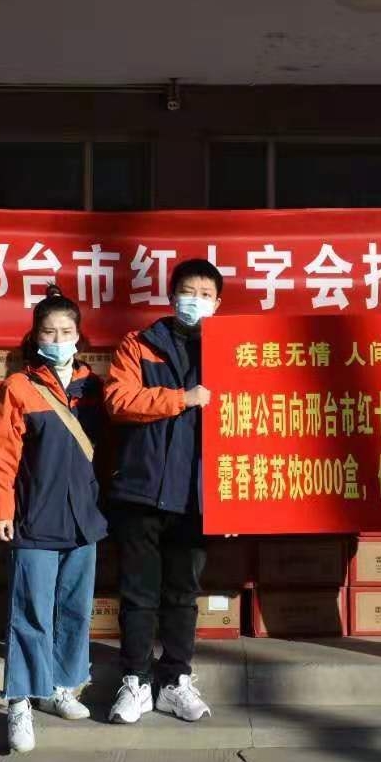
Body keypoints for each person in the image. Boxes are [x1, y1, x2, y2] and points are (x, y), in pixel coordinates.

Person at [0, 287, 108, 753]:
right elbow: (1, 454)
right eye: (49, 332)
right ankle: (19, 700)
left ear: (79, 336)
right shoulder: (18, 388)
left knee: (74, 609)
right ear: (35, 337)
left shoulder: (92, 389)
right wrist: (1, 509)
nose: (58, 339)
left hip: (84, 520)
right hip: (35, 517)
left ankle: (60, 687)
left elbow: (109, 451)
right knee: (31, 611)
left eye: (66, 331)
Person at [103, 258, 219, 725]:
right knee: (138, 595)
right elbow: (118, 400)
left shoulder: (233, 351)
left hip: (196, 497)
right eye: (188, 292)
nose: (196, 301)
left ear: (218, 303)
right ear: (172, 296)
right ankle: (135, 680)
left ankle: (175, 682)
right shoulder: (140, 344)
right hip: (142, 491)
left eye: (205, 294)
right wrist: (182, 399)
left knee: (182, 595)